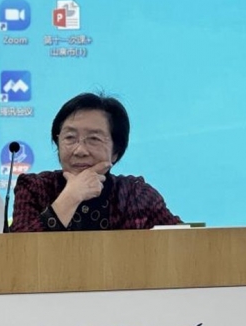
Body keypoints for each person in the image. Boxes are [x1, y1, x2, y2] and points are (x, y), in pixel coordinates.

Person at [10, 92, 182, 232]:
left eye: (93, 139)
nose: (79, 150)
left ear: (116, 151)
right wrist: (70, 197)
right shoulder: (35, 188)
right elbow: (17, 251)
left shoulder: (136, 195)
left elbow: (184, 242)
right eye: (70, 137)